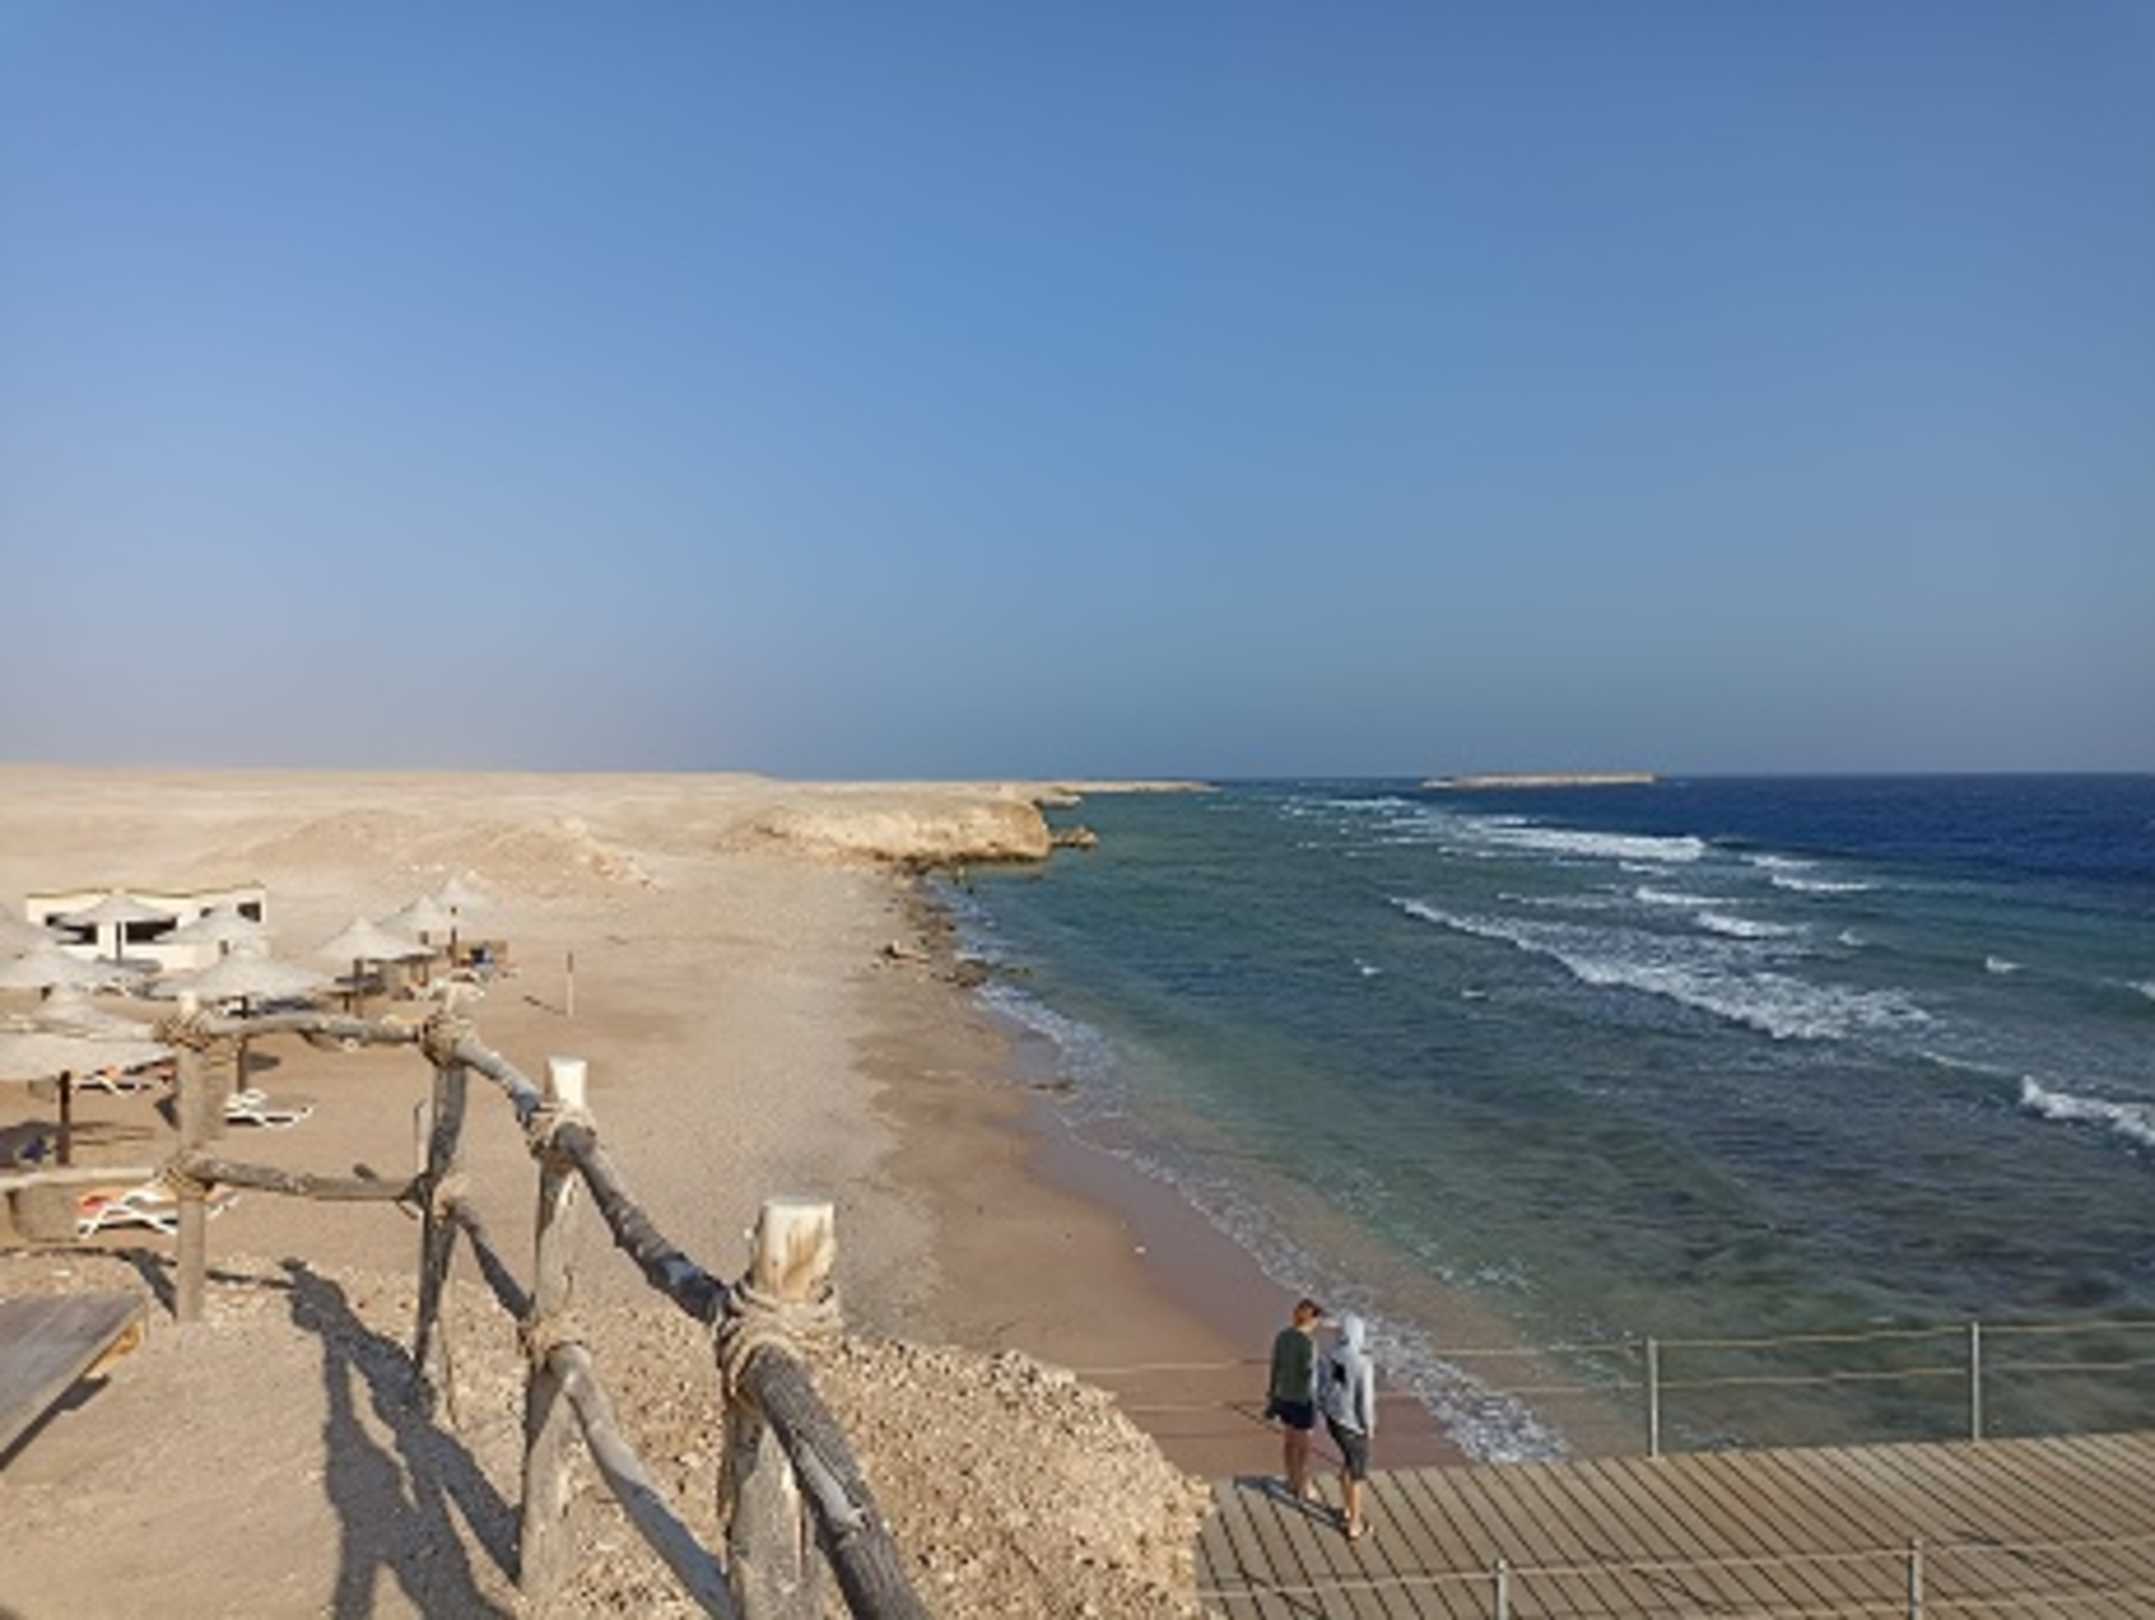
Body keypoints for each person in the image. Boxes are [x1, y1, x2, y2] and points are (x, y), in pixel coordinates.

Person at [1318, 1312, 1377, 1538]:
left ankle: (1347, 1509)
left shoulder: (1330, 1354)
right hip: (1353, 1425)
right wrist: (1369, 1425)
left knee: (1348, 1463)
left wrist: (1324, 1407)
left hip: (1334, 1419)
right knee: (1357, 1474)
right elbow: (1365, 1400)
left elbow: (1322, 1386)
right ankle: (1355, 1523)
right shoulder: (1363, 1363)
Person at [1264, 1298, 1323, 1501]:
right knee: (1304, 1447)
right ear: (1312, 1319)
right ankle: (1303, 1486)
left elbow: (1275, 1367)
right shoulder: (1309, 1343)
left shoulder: (1283, 1336)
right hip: (1303, 1400)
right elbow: (1310, 1375)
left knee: (1289, 1442)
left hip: (1283, 1397)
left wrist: (1272, 1393)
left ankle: (1291, 1479)